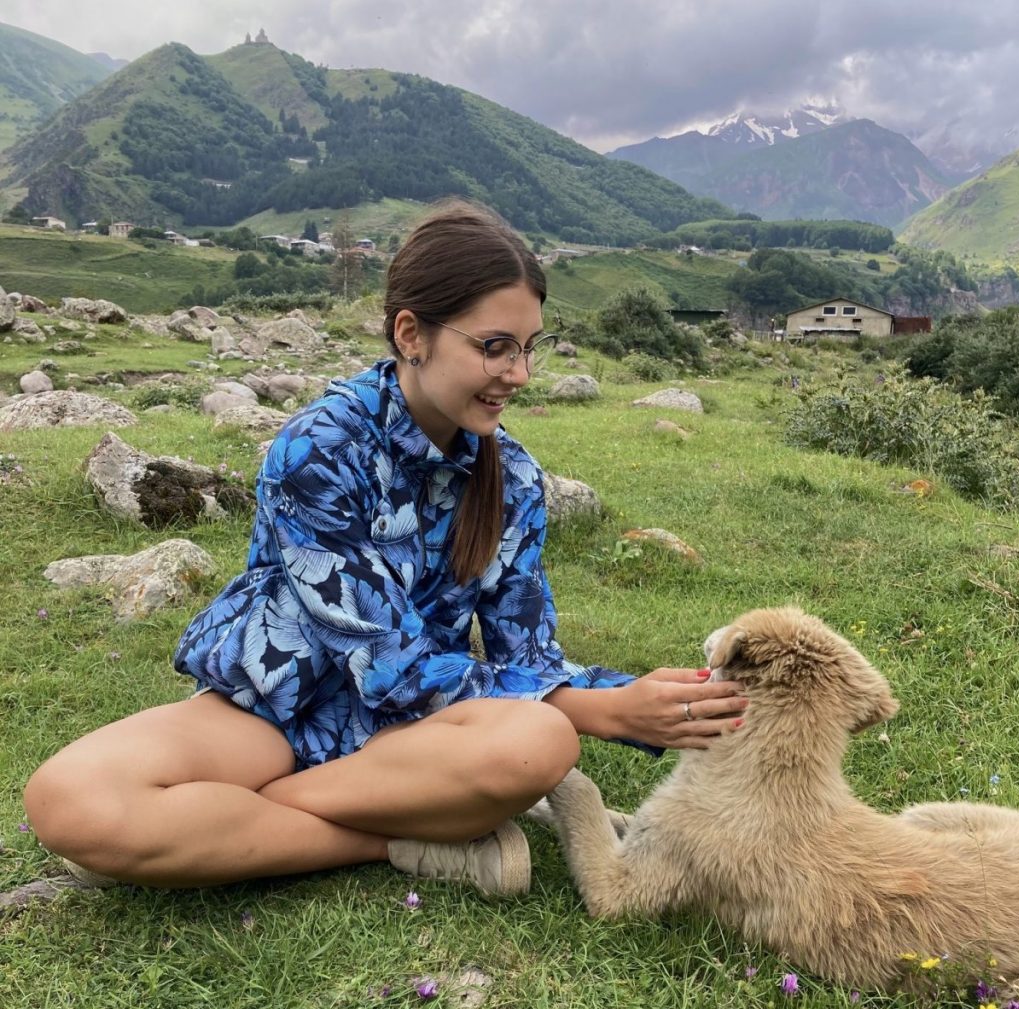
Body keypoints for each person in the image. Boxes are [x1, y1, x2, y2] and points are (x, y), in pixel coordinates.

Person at [23, 201, 746, 895]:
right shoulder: (318, 447)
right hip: (280, 706)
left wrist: (626, 696)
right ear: (411, 333)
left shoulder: (514, 477)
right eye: (495, 347)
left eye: (528, 349)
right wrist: (599, 710)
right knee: (70, 800)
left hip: (414, 733)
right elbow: (388, 665)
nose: (519, 374)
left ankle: (229, 816)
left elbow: (526, 659)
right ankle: (405, 836)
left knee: (541, 744)